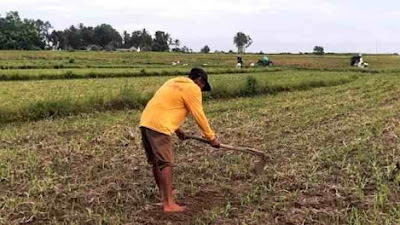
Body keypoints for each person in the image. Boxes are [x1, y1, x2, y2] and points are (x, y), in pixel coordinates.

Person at [139, 68, 220, 213]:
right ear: (199, 81)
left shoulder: (173, 82)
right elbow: (198, 115)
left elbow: (165, 107)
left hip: (146, 122)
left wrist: (178, 130)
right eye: (202, 87)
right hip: (159, 127)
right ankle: (169, 204)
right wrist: (212, 137)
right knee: (166, 163)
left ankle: (163, 194)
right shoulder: (193, 88)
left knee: (157, 162)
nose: (201, 90)